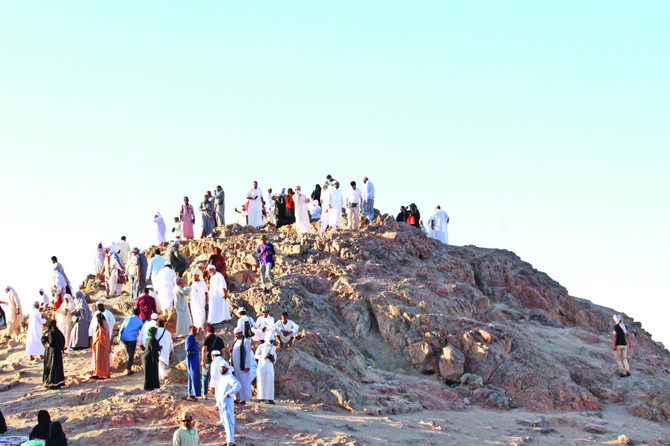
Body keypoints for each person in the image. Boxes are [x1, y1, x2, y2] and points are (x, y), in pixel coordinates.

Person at [212, 359, 241, 446]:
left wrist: (230, 393)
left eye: (223, 368)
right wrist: (217, 404)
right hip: (221, 403)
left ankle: (231, 441)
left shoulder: (229, 376)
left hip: (227, 403)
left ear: (227, 368)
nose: (222, 369)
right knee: (224, 421)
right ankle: (228, 439)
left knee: (229, 421)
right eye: (221, 368)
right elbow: (219, 392)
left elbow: (238, 385)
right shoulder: (222, 378)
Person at [89, 301, 116, 368]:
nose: (99, 308)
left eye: (100, 306)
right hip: (96, 335)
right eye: (97, 306)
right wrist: (90, 334)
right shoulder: (96, 313)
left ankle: (107, 365)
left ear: (103, 306)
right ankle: (96, 365)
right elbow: (92, 324)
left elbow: (113, 322)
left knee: (105, 350)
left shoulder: (108, 313)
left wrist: (107, 328)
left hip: (106, 335)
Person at [201, 324, 225, 399]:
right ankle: (216, 393)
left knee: (205, 376)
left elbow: (204, 350)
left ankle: (205, 394)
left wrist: (203, 361)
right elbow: (222, 352)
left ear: (207, 331)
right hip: (218, 361)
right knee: (217, 376)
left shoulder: (207, 339)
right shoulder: (220, 339)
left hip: (208, 360)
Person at [231, 326, 252, 404]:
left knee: (243, 381)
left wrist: (247, 365)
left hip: (242, 366)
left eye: (237, 334)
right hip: (235, 365)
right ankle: (237, 398)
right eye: (235, 334)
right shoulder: (236, 341)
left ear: (241, 333)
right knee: (236, 381)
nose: (236, 335)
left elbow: (248, 354)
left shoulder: (246, 341)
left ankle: (244, 399)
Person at [42, 320, 66, 389]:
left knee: (51, 367)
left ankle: (52, 383)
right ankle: (59, 382)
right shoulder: (58, 332)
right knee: (57, 367)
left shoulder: (50, 332)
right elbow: (63, 340)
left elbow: (48, 341)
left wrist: (47, 344)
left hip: (51, 353)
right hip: (57, 353)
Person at [119, 308, 143, 375]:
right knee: (131, 354)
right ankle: (129, 368)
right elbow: (142, 331)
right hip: (132, 339)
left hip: (124, 337)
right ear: (139, 314)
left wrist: (120, 338)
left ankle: (130, 363)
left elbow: (122, 329)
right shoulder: (139, 321)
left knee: (128, 352)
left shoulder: (127, 319)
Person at [255, 332, 277, 404]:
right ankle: (261, 398)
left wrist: (272, 359)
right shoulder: (261, 346)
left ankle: (270, 398)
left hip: (270, 367)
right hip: (262, 366)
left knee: (270, 382)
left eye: (272, 341)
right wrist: (264, 356)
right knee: (261, 382)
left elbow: (275, 357)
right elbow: (255, 356)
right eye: (270, 340)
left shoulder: (273, 347)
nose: (271, 342)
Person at [92, 313, 111, 379]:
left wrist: (101, 329)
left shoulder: (105, 324)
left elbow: (105, 334)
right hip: (98, 344)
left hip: (103, 345)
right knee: (97, 359)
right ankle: (97, 373)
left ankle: (103, 374)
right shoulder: (99, 324)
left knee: (103, 360)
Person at [185, 326, 201, 401]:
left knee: (195, 376)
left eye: (195, 330)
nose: (195, 332)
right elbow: (188, 350)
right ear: (189, 331)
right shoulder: (189, 338)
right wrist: (195, 345)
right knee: (192, 376)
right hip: (191, 360)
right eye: (193, 330)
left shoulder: (192, 338)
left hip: (194, 360)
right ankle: (191, 394)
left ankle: (194, 394)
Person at [142, 326, 161, 390]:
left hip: (148, 357)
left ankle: (151, 386)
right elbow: (153, 350)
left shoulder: (149, 338)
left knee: (151, 372)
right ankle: (148, 387)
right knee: (149, 373)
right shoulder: (151, 339)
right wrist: (155, 359)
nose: (156, 333)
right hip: (149, 358)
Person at [155, 319, 173, 385]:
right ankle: (161, 379)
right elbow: (171, 344)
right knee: (162, 365)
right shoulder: (168, 332)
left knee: (160, 365)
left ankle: (166, 378)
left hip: (159, 351)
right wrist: (171, 352)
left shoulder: (156, 332)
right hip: (167, 351)